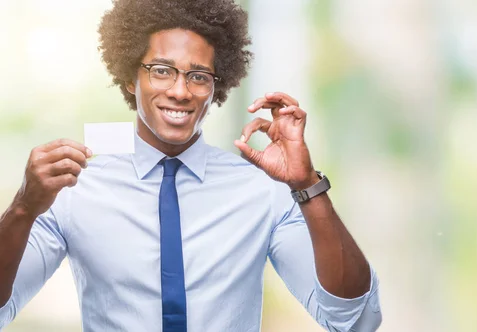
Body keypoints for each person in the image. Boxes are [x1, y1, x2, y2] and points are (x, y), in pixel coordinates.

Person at [0, 0, 382, 331]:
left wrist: (308, 185)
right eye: (162, 70)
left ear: (217, 87)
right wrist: (22, 208)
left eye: (198, 76)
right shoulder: (74, 191)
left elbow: (354, 320)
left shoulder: (262, 192)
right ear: (131, 78)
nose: (180, 91)